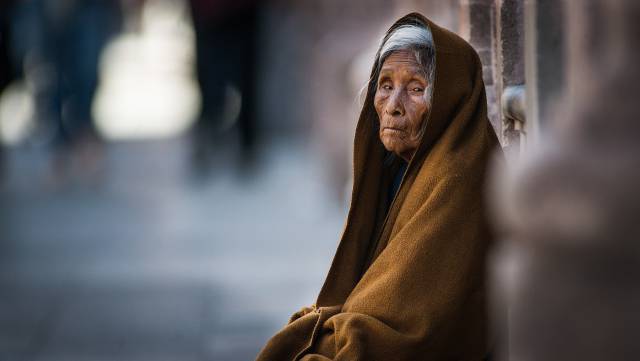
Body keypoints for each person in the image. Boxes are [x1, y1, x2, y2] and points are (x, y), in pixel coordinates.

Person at [256, 13, 502, 361]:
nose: (393, 106)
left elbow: (407, 326)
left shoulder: (458, 176)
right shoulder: (400, 166)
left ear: (449, 99)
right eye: (385, 86)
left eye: (416, 89)